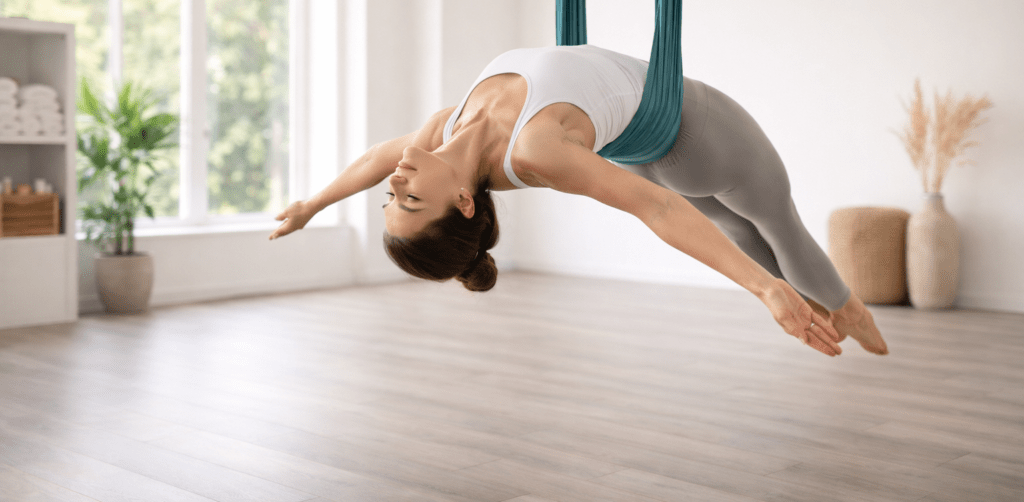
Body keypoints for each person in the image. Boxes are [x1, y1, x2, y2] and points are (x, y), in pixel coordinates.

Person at [270, 44, 888, 357]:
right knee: (775, 220)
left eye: (388, 199)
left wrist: (313, 205)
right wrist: (764, 291)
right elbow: (659, 210)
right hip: (694, 133)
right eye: (409, 203)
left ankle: (834, 305)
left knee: (744, 226)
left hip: (643, 145)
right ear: (462, 201)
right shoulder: (534, 151)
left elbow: (377, 156)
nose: (396, 184)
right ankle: (844, 307)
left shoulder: (443, 132)